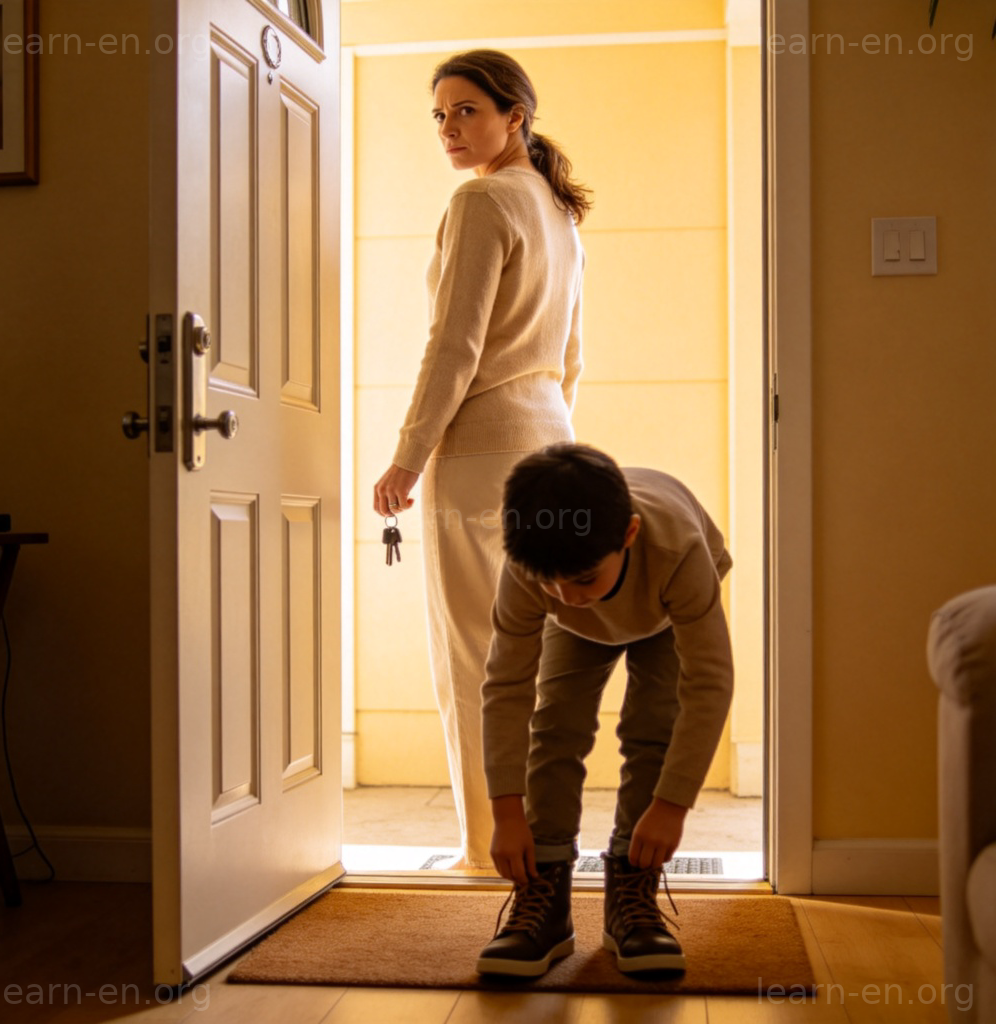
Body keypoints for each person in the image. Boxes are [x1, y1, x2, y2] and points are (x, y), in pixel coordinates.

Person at [372, 51, 591, 870]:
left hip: (478, 452)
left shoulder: (482, 200)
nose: (449, 129)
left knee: (476, 656)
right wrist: (560, 446)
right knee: (536, 650)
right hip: (549, 440)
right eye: (439, 115)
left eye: (466, 111)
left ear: (515, 116)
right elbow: (572, 355)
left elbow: (454, 345)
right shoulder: (559, 214)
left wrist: (407, 456)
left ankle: (486, 848)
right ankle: (546, 837)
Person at [474, 443, 734, 978]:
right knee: (557, 724)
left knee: (651, 727)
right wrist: (506, 813)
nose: (566, 596)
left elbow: (709, 682)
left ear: (630, 535)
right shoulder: (536, 570)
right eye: (551, 583)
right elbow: (506, 687)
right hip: (580, 630)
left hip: (664, 610)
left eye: (583, 579)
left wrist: (671, 806)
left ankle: (631, 897)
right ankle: (544, 899)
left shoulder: (679, 551)